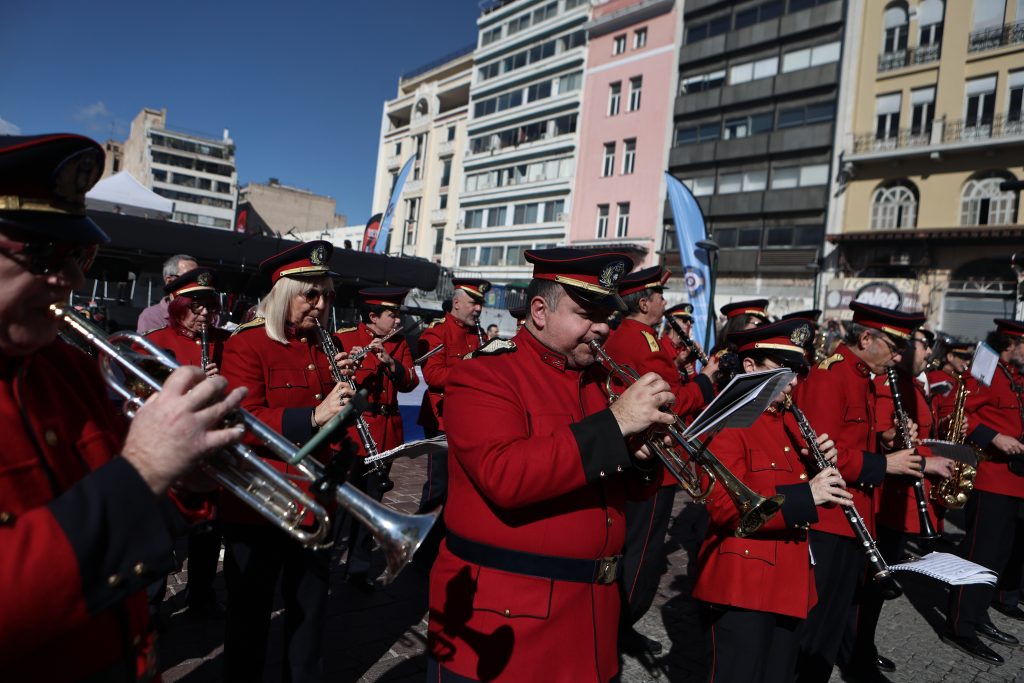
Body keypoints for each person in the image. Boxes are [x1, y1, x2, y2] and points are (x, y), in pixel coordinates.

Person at [0, 133, 245, 680]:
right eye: (42, 253)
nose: (73, 279)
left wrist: (186, 477)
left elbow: (129, 504)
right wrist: (145, 470)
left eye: (78, 255)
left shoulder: (67, 368)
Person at [426, 247, 675, 682]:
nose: (602, 326)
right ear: (539, 311)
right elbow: (506, 476)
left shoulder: (599, 382)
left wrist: (642, 461)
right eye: (587, 312)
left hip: (590, 622)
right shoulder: (484, 375)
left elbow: (617, 493)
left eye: (608, 315)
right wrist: (615, 426)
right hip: (508, 623)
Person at [219, 240, 355, 682]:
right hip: (260, 502)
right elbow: (242, 419)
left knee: (310, 613)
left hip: (315, 499)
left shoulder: (326, 344)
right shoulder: (248, 344)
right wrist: (314, 416)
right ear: (283, 294)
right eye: (310, 294)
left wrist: (347, 427)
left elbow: (332, 417)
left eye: (327, 294)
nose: (321, 304)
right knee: (250, 617)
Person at [694, 318, 853, 683]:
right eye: (783, 371)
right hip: (743, 586)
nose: (794, 382)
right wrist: (806, 494)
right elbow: (723, 506)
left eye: (797, 371)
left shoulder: (787, 420)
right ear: (750, 366)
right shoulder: (728, 418)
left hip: (790, 583)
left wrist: (821, 472)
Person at [792, 302, 925, 683]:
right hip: (830, 519)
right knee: (815, 627)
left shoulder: (864, 376)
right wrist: (887, 465)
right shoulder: (830, 375)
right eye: (894, 347)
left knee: (834, 623)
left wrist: (889, 441)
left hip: (856, 517)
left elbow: (856, 441)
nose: (899, 357)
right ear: (866, 338)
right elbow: (820, 452)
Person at [602, 266, 717, 655]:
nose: (666, 303)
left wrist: (682, 366)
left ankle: (618, 623)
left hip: (647, 452)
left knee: (637, 544)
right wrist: (706, 381)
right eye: (661, 296)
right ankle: (620, 625)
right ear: (646, 302)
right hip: (653, 457)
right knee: (643, 551)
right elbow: (667, 399)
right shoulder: (640, 340)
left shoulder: (639, 337)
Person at [845, 327, 956, 680]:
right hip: (883, 495)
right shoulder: (880, 382)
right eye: (914, 345)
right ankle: (856, 650)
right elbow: (874, 434)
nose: (917, 352)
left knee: (879, 583)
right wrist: (906, 447)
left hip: (899, 492)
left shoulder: (914, 384)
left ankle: (863, 645)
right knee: (869, 584)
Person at [139, 267, 232, 618]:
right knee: (160, 533)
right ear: (178, 306)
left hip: (212, 450)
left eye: (210, 305)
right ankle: (151, 606)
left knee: (209, 530)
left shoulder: (226, 341)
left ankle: (202, 593)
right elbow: (144, 399)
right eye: (196, 306)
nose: (205, 313)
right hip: (171, 450)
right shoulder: (156, 341)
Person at [943, 318, 1024, 665]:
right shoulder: (987, 371)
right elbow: (956, 413)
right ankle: (960, 625)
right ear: (1011, 344)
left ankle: (978, 614)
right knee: (978, 554)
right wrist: (994, 437)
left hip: (1015, 480)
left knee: (999, 555)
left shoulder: (1015, 376)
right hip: (991, 477)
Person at [335, 286, 419, 591]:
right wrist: (349, 368)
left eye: (397, 313)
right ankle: (328, 561)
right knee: (344, 503)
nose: (397, 320)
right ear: (372, 317)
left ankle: (357, 569)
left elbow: (409, 382)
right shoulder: (344, 338)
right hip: (355, 430)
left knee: (371, 504)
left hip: (386, 432)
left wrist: (390, 362)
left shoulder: (398, 344)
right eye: (391, 314)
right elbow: (330, 381)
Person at [415, 277, 490, 566]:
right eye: (473, 302)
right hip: (441, 420)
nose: (478, 309)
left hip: (467, 421)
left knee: (460, 487)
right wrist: (472, 367)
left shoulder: (476, 334)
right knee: (437, 488)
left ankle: (447, 547)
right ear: (457, 302)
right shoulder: (439, 332)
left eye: (480, 304)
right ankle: (423, 553)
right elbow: (433, 377)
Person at [136, 253, 198, 333]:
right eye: (188, 278)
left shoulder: (208, 313)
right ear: (169, 281)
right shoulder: (151, 316)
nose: (196, 284)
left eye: (197, 278)